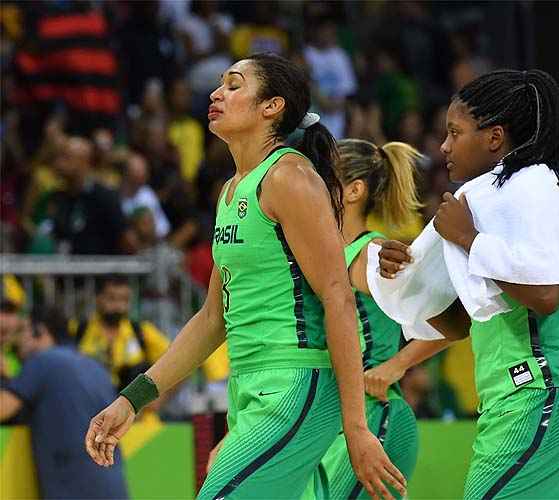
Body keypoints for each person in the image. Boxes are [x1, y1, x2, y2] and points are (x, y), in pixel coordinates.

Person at [84, 53, 405, 500]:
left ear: (271, 106)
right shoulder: (232, 189)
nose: (217, 93)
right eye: (219, 85)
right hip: (250, 386)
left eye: (234, 85)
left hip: (297, 384)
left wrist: (356, 429)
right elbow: (212, 318)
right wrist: (133, 398)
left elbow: (338, 299)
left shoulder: (290, 177)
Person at [378, 69, 559, 498]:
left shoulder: (530, 187)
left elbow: (546, 295)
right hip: (516, 402)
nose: (443, 146)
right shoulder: (489, 196)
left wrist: (467, 238)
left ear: (494, 137)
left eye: (455, 132)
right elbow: (462, 323)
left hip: (540, 397)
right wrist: (403, 275)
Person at [316, 139, 423, 498]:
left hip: (376, 417)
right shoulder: (328, 254)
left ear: (353, 191)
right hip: (340, 422)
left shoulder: (373, 254)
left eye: (322, 177)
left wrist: (396, 365)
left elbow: (456, 318)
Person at [1, 306, 129, 499]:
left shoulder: (42, 361)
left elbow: (3, 409)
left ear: (40, 331)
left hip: (72, 490)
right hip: (113, 487)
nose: (17, 342)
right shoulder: (96, 366)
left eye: (22, 332)